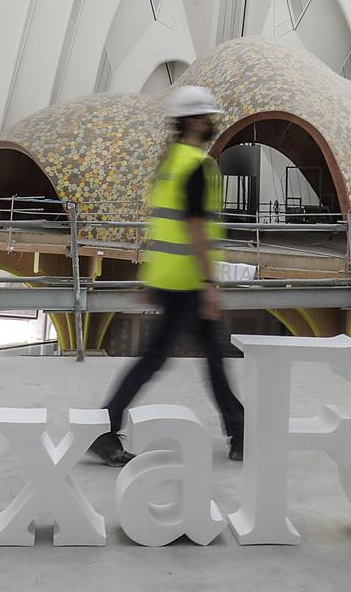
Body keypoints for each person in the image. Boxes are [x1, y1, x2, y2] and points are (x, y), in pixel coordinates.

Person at [89, 85, 246, 466]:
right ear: (194, 120)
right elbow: (194, 228)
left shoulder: (170, 160)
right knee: (166, 358)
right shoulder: (197, 165)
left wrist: (150, 278)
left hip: (169, 278)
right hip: (187, 283)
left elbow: (161, 225)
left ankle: (240, 431)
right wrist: (209, 284)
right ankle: (103, 428)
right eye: (208, 116)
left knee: (207, 356)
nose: (213, 122)